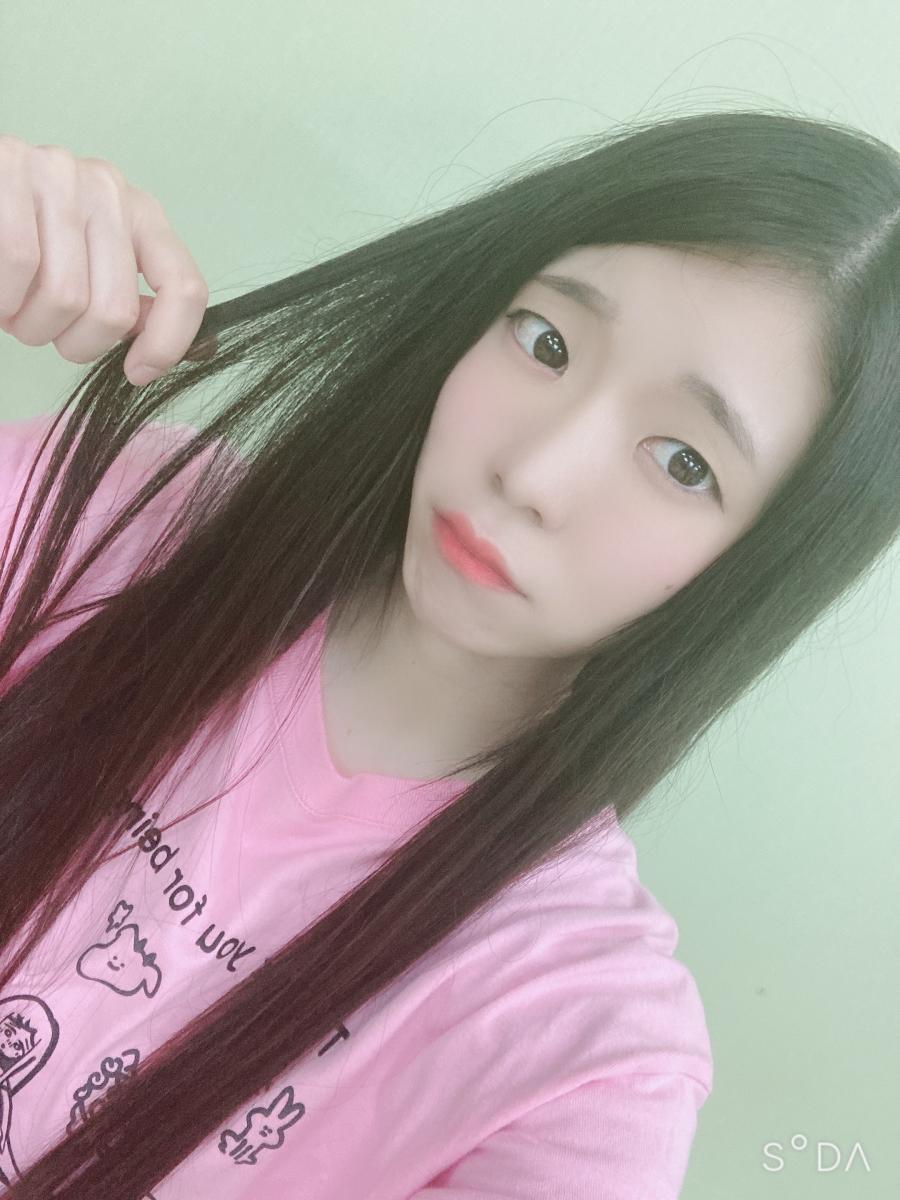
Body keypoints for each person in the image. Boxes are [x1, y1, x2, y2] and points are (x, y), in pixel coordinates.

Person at [0, 108, 897, 1199]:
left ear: (757, 566)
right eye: (548, 342)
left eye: (682, 463)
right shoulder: (132, 519)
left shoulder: (580, 1054)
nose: (533, 473)